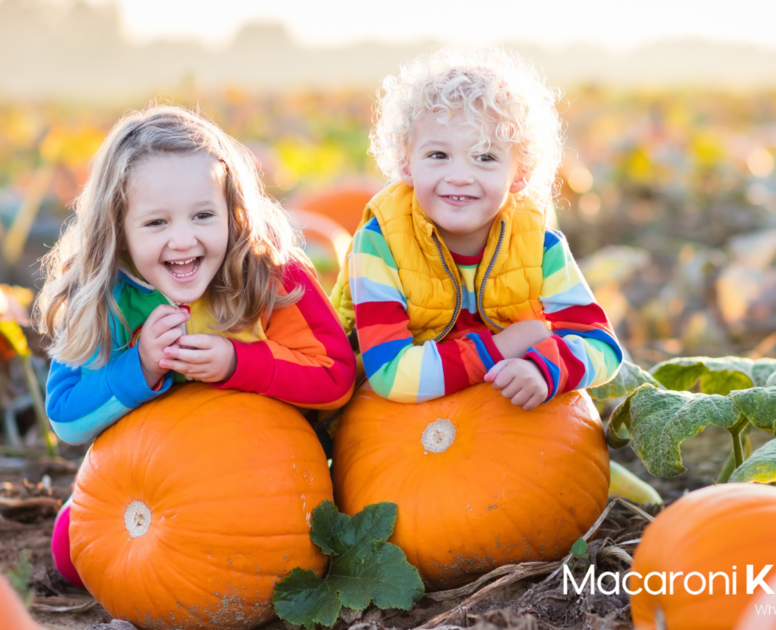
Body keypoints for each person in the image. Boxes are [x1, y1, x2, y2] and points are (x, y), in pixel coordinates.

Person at [35, 104, 356, 586]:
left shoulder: (270, 278)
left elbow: (336, 376)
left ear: (234, 211)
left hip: (267, 480)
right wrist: (138, 367)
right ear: (118, 229)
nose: (183, 240)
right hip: (155, 483)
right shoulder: (106, 297)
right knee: (72, 555)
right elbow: (65, 416)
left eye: (203, 215)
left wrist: (238, 363)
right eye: (156, 224)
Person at [331, 47, 622, 408]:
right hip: (397, 429)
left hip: (505, 423)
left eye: (485, 157)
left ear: (521, 174)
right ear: (406, 164)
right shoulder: (379, 244)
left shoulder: (539, 246)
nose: (459, 177)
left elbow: (602, 346)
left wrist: (543, 369)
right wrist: (502, 347)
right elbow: (390, 373)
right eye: (438, 155)